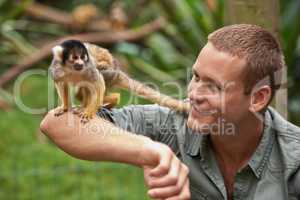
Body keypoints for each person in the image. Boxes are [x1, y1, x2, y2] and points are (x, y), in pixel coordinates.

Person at [40, 24, 300, 200]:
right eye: (196, 77)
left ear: (257, 98)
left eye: (213, 86)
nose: (194, 94)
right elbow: (57, 123)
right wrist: (148, 150)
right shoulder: (171, 125)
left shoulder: (293, 161)